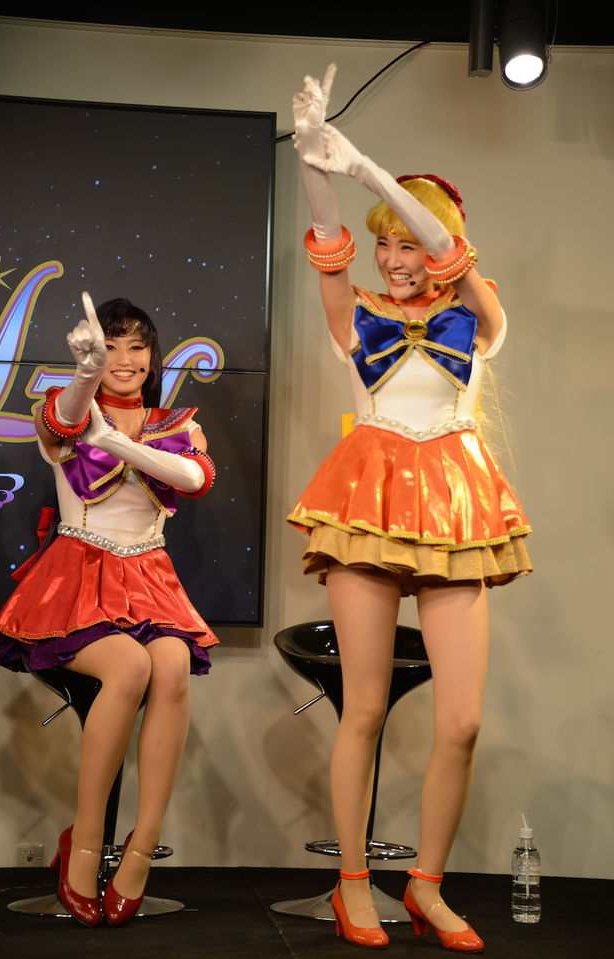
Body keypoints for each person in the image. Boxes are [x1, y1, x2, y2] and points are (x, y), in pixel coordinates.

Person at [287, 66, 532, 952]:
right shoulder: (357, 318)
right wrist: (315, 160)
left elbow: (449, 250)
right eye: (383, 245)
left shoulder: (481, 318)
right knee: (364, 708)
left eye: (406, 243)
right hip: (368, 497)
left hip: (457, 503)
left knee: (461, 719)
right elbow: (327, 240)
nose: (393, 257)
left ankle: (425, 884)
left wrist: (369, 170)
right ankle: (353, 882)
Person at [0, 293, 218, 927]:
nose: (123, 358)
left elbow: (196, 479)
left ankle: (141, 850)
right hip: (76, 577)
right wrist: (85, 374)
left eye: (135, 346)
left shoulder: (179, 424)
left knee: (171, 667)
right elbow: (65, 422)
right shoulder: (66, 409)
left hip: (150, 578)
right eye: (109, 346)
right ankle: (85, 844)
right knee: (130, 668)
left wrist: (115, 442)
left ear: (153, 356)